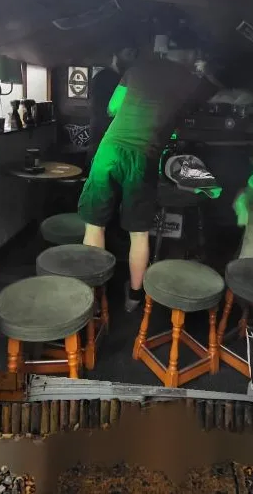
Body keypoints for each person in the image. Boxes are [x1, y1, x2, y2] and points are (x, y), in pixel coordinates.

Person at [78, 30, 218, 312]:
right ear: (190, 53)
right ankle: (134, 297)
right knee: (139, 234)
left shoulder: (137, 69)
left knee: (95, 225)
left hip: (109, 150)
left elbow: (113, 107)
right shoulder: (194, 81)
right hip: (142, 157)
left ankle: (91, 298)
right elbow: (229, 95)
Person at [88, 45, 137, 163]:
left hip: (111, 137)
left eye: (133, 55)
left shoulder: (118, 78)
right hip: (104, 136)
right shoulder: (105, 77)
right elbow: (103, 110)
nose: (131, 59)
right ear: (116, 55)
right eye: (128, 54)